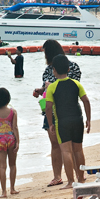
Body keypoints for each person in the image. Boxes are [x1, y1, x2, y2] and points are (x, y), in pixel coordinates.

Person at [33, 40, 82, 187]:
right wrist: (41, 90)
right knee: (55, 144)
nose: (44, 55)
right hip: (51, 110)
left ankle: (77, 176)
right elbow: (46, 88)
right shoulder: (48, 69)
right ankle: (57, 176)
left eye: (45, 52)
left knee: (71, 146)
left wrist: (51, 85)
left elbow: (72, 85)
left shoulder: (72, 66)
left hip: (67, 110)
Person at [45, 55, 92, 189]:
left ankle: (71, 181)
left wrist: (50, 124)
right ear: (69, 69)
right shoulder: (76, 84)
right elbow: (86, 101)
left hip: (63, 122)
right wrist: (88, 119)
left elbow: (48, 107)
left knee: (66, 151)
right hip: (78, 119)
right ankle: (81, 178)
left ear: (54, 70)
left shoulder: (52, 88)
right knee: (78, 150)